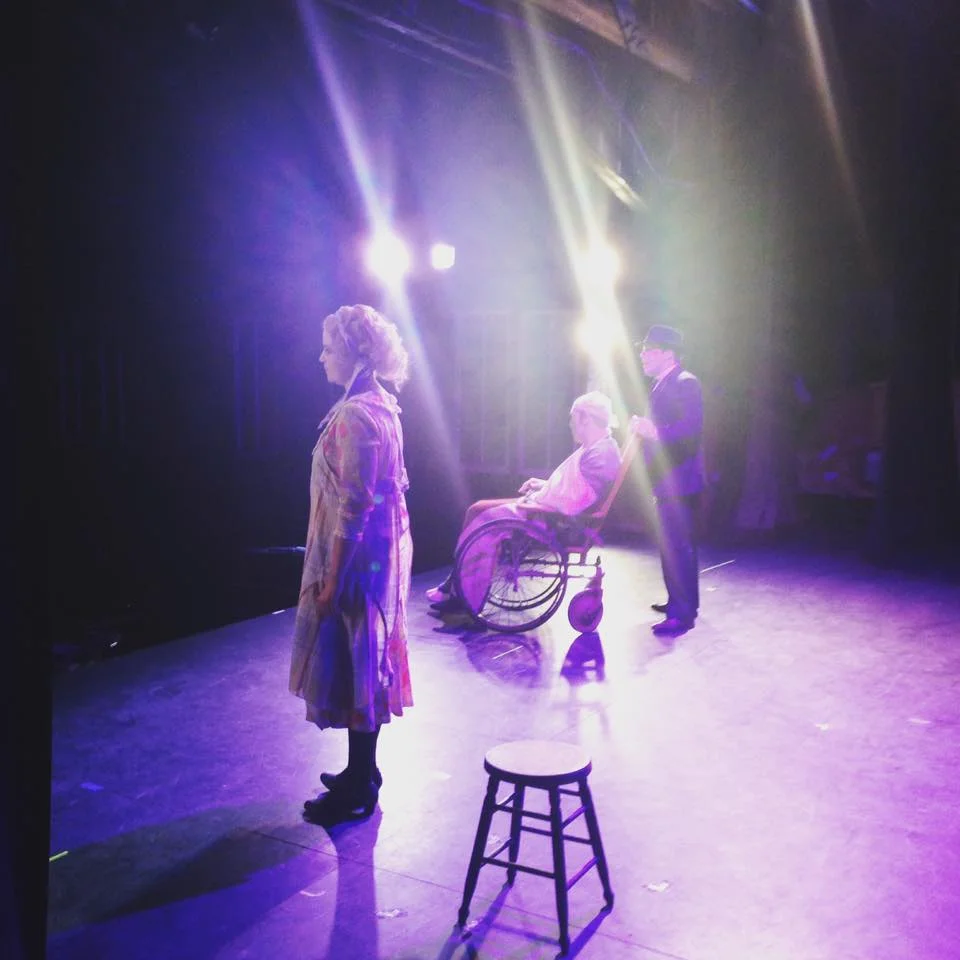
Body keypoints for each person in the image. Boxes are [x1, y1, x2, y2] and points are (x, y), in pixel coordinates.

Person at [290, 304, 413, 821]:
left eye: (328, 349)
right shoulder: (380, 406)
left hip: (360, 560)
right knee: (367, 660)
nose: (322, 358)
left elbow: (354, 505)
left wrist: (333, 580)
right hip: (377, 554)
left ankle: (359, 786)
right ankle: (362, 769)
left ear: (353, 354)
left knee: (361, 662)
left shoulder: (357, 416)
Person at [425, 391, 621, 609]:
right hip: (549, 510)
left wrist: (539, 495)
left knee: (483, 520)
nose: (570, 424)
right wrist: (544, 486)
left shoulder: (600, 455)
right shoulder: (596, 448)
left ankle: (464, 596)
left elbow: (573, 501)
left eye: (573, 418)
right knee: (476, 509)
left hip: (557, 521)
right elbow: (573, 489)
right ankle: (456, 583)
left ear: (585, 419)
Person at [630, 324, 705, 636]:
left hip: (679, 481)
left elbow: (690, 432)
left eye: (648, 350)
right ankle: (680, 602)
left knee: (677, 548)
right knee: (673, 546)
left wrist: (653, 431)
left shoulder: (686, 383)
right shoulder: (661, 384)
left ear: (668, 353)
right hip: (667, 480)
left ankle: (682, 613)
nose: (643, 355)